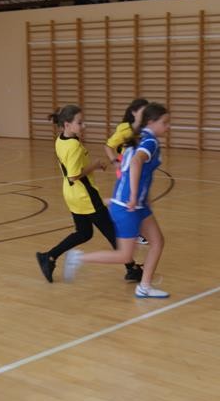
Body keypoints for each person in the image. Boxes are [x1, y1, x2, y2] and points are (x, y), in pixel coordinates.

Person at [63, 103, 171, 298]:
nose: (168, 126)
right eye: (164, 122)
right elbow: (136, 162)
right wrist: (133, 196)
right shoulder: (149, 142)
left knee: (157, 242)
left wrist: (142, 198)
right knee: (125, 255)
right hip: (128, 205)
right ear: (151, 122)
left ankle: (144, 287)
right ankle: (78, 258)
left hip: (137, 204)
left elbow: (134, 170)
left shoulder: (140, 137)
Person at [36, 105, 142, 283]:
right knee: (112, 232)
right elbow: (74, 175)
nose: (84, 126)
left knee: (84, 233)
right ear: (67, 124)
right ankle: (132, 268)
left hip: (71, 194)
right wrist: (95, 165)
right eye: (80, 123)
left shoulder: (60, 140)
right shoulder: (73, 146)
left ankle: (49, 256)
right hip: (85, 196)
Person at [104, 98, 149, 244]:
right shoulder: (125, 129)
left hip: (138, 168)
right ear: (134, 112)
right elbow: (108, 146)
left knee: (136, 199)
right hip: (126, 167)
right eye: (143, 111)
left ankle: (99, 207)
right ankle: (134, 232)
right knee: (130, 200)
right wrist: (114, 161)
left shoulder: (145, 130)